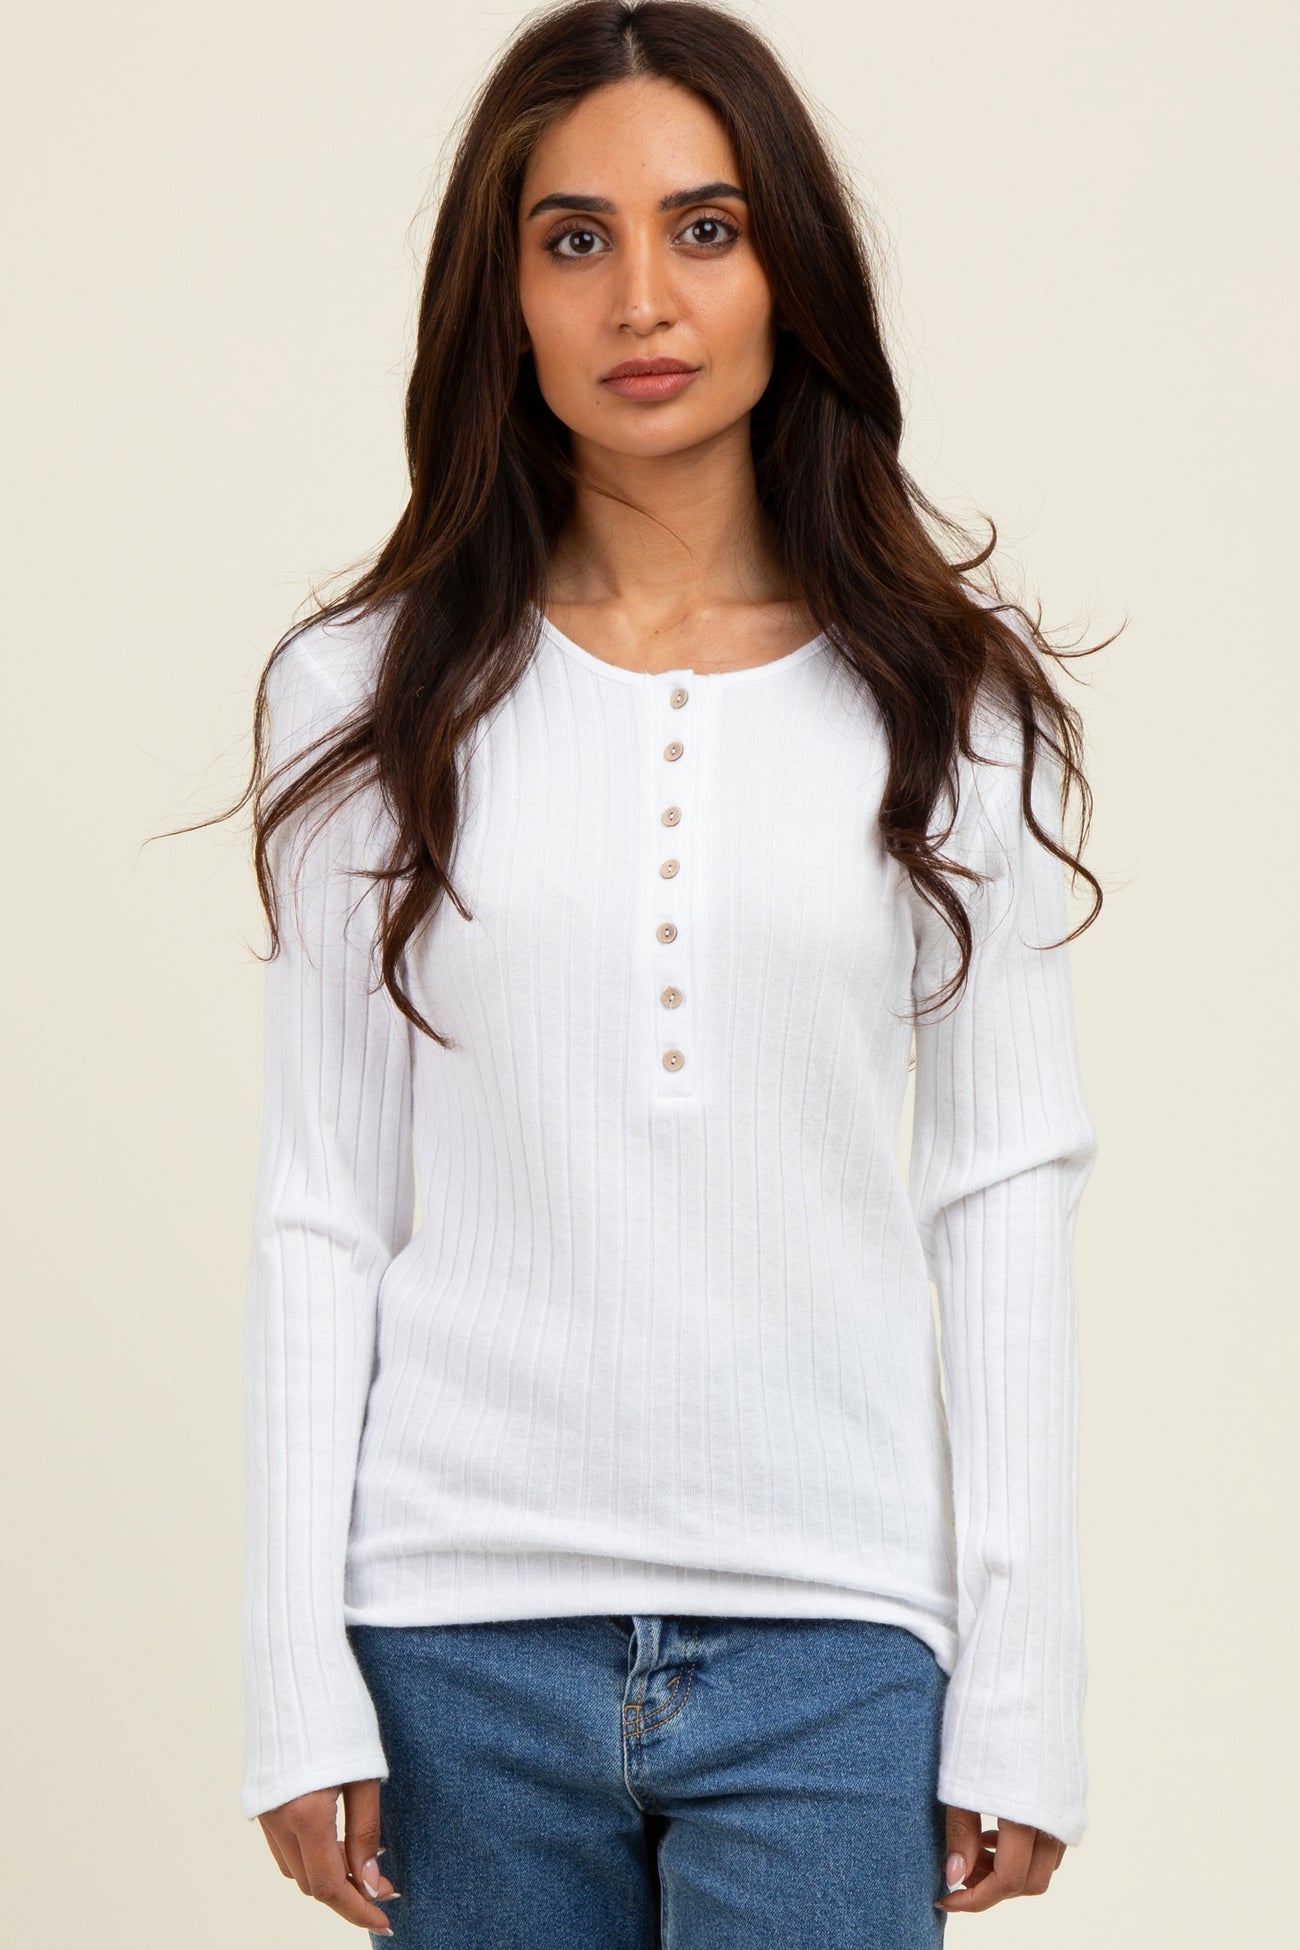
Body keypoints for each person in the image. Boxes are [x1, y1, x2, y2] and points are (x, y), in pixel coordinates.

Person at [231, 3, 1110, 1942]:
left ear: (791, 267)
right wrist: (294, 1670)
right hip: (453, 1638)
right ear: (501, 296)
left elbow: (1001, 1190)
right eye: (575, 238)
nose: (643, 297)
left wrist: (1023, 1680)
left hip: (834, 1642)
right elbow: (321, 1203)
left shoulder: (943, 700)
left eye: (705, 228)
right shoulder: (363, 695)